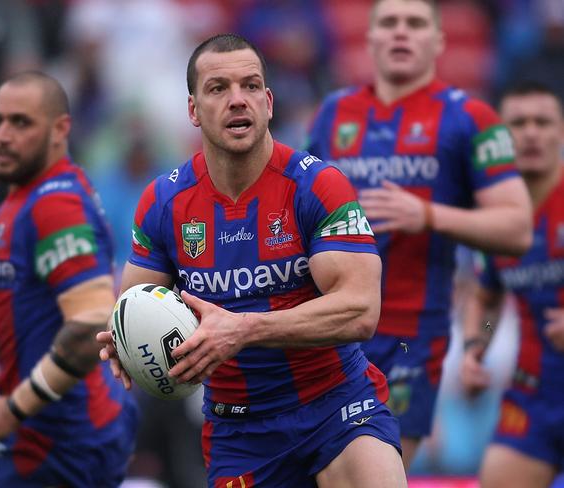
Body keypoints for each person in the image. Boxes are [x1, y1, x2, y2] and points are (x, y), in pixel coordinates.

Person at [98, 33, 407, 488]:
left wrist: (243, 330)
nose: (237, 100)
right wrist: (124, 342)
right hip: (238, 428)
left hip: (337, 405)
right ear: (192, 110)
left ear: (268, 101)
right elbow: (134, 305)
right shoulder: (163, 202)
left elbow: (361, 310)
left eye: (250, 86)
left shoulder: (318, 186)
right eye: (218, 88)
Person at [305, 0, 533, 469]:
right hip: (329, 328)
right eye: (388, 23)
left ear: (439, 40)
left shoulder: (471, 118)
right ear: (369, 40)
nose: (401, 33)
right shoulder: (334, 113)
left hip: (411, 337)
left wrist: (429, 215)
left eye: (414, 23)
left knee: (377, 473)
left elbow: (516, 227)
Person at [0, 71, 138, 487]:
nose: (1, 135)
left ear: (60, 130)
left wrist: (10, 409)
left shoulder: (56, 205)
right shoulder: (21, 201)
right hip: (40, 432)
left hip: (68, 440)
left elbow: (89, 327)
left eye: (21, 123)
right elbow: (32, 320)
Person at [460, 81, 564, 488]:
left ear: (560, 131)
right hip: (533, 395)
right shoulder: (496, 218)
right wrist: (476, 346)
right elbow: (488, 301)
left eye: (543, 121)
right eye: (519, 123)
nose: (532, 132)